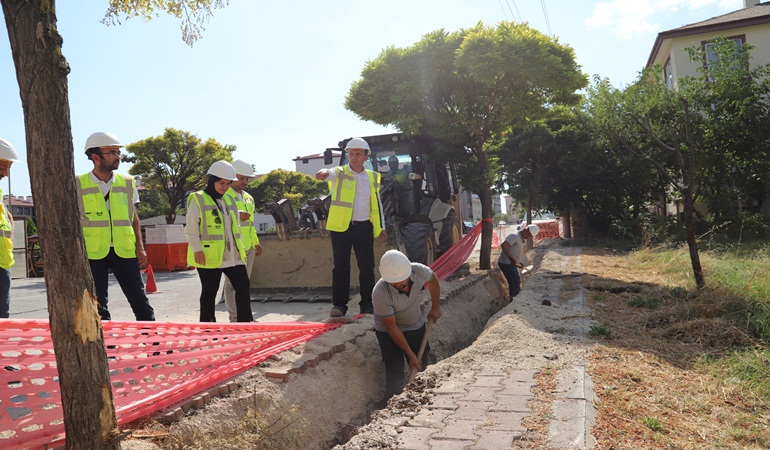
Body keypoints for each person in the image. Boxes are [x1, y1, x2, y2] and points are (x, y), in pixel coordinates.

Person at [78, 132, 155, 321]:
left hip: (124, 249)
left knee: (139, 300)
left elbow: (133, 218)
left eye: (118, 152)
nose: (118, 156)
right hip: (94, 252)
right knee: (98, 303)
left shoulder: (127, 183)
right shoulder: (78, 184)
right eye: (112, 152)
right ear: (95, 157)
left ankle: (155, 348)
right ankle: (106, 349)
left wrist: (140, 247)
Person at [316, 137, 386, 317]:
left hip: (364, 227)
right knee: (341, 266)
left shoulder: (372, 177)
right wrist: (323, 172)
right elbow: (328, 172)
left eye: (357, 154)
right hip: (341, 228)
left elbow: (377, 204)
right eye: (351, 154)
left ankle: (367, 304)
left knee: (367, 267)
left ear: (366, 156)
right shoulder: (339, 173)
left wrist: (382, 227)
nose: (353, 157)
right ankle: (339, 305)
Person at [185, 160, 253, 322]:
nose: (224, 186)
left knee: (243, 287)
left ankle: (244, 323)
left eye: (228, 183)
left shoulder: (229, 200)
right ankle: (208, 327)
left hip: (233, 255)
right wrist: (197, 250)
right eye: (221, 182)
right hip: (210, 255)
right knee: (210, 291)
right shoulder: (199, 199)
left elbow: (227, 222)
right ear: (212, 180)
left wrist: (239, 213)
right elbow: (191, 229)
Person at [372, 250, 441, 397]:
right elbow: (392, 328)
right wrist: (410, 355)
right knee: (394, 366)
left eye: (403, 282)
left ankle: (422, 394)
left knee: (422, 360)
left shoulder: (419, 271)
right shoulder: (380, 293)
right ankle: (393, 400)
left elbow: (433, 280)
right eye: (395, 284)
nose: (400, 286)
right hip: (388, 332)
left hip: (414, 323)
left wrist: (435, 308)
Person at [220, 159, 262, 322]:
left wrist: (256, 242)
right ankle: (235, 318)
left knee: (244, 285)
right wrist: (237, 215)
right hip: (233, 247)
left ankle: (245, 317)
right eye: (241, 178)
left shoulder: (249, 198)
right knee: (232, 285)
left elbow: (250, 224)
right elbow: (218, 217)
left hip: (248, 246)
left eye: (247, 178)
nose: (245, 181)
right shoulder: (223, 195)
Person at [0, 139, 19, 319]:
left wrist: (11, 239)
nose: (5, 173)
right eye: (2, 167)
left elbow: (8, 218)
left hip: (3, 261)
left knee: (2, 316)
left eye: (8, 168)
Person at [498, 224, 539, 300]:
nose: (528, 237)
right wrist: (512, 259)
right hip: (506, 263)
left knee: (516, 280)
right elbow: (504, 245)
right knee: (514, 282)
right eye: (529, 235)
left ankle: (515, 298)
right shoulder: (515, 236)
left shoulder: (520, 237)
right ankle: (514, 301)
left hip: (511, 263)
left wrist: (517, 262)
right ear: (526, 230)